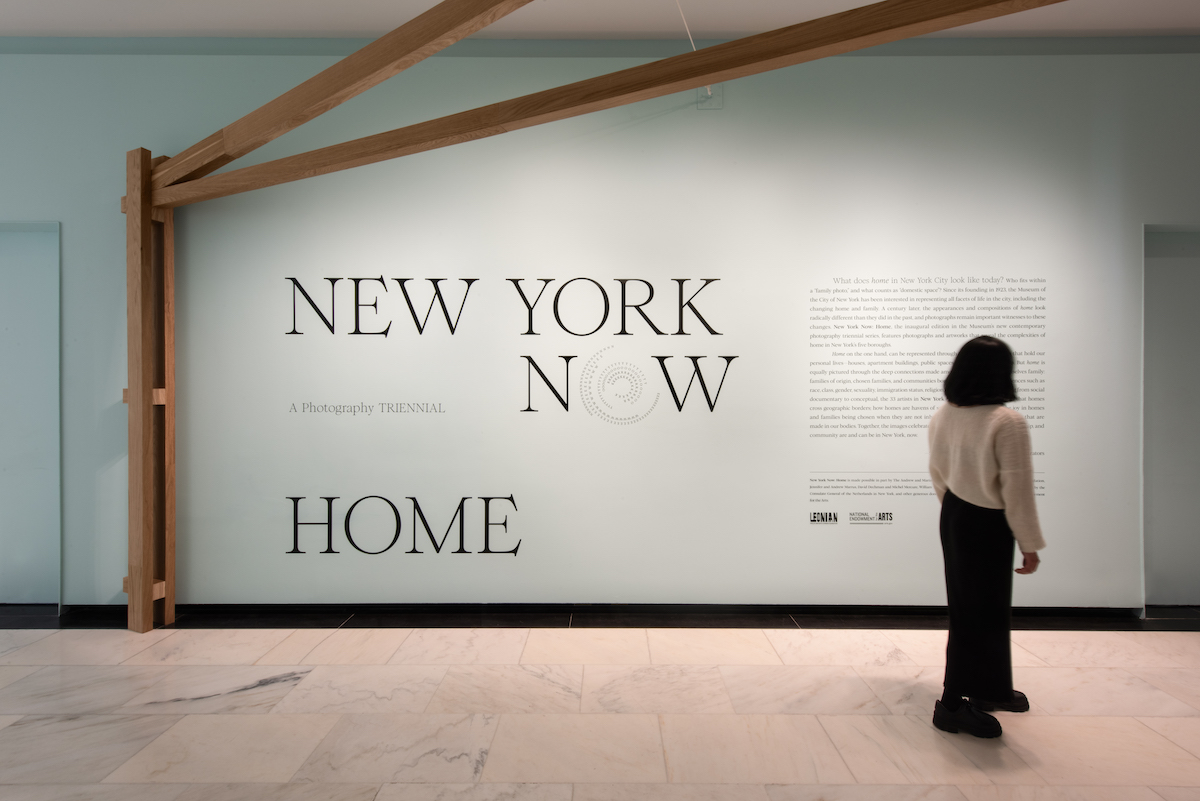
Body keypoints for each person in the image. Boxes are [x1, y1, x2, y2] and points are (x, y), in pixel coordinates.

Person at [928, 335, 1045, 738]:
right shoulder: (1006, 422)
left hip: (956, 513)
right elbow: (1017, 488)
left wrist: (956, 507)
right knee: (981, 611)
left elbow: (937, 471)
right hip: (988, 521)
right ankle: (951, 704)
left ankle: (986, 689)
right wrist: (1028, 542)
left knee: (976, 608)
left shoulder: (945, 414)